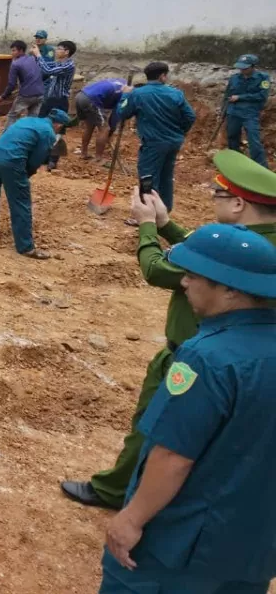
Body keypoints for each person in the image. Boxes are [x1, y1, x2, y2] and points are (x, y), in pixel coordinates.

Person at [63, 149, 276, 510]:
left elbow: (158, 270)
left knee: (158, 428)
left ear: (239, 204)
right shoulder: (257, 240)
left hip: (193, 355)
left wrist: (146, 225)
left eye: (219, 194)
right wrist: (165, 224)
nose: (213, 199)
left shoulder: (241, 251)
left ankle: (122, 495)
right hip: (230, 357)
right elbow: (203, 247)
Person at [98, 224, 276, 594]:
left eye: (194, 276)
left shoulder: (207, 357)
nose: (184, 284)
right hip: (253, 547)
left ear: (229, 290)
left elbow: (173, 456)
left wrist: (131, 519)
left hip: (180, 548)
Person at [0, 109, 67, 259]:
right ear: (58, 125)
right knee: (21, 202)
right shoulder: (48, 132)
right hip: (12, 161)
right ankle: (26, 247)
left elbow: (8, 135)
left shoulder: (27, 120)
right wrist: (24, 177)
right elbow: (35, 160)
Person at [117, 62, 196, 212]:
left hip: (153, 143)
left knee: (148, 177)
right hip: (174, 141)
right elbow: (190, 116)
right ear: (162, 76)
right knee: (166, 175)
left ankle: (148, 212)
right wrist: (180, 132)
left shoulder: (138, 94)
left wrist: (125, 94)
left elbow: (122, 113)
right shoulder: (176, 93)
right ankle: (164, 209)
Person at [36, 40, 77, 170]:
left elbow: (48, 70)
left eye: (59, 48)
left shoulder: (68, 65)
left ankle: (53, 160)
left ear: (67, 52)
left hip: (59, 100)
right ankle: (43, 156)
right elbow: (46, 66)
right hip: (49, 99)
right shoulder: (59, 63)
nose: (57, 50)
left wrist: (38, 55)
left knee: (57, 129)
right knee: (43, 126)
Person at [225, 53, 269, 168]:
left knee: (254, 140)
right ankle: (235, 162)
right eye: (240, 67)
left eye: (245, 68)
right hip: (233, 112)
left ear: (253, 66)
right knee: (232, 137)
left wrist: (240, 97)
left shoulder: (263, 78)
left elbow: (262, 96)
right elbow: (227, 95)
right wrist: (224, 111)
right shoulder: (234, 78)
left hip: (250, 114)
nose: (242, 70)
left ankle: (261, 167)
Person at [0, 40, 44, 125]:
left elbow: (11, 84)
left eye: (14, 50)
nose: (12, 53)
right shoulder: (33, 58)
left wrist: (2, 97)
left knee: (12, 116)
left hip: (26, 95)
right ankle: (29, 137)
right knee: (32, 118)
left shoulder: (15, 64)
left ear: (21, 51)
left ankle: (7, 136)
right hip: (40, 94)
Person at [74, 77, 128, 161]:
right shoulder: (125, 93)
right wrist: (110, 131)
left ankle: (83, 153)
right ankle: (98, 158)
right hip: (92, 100)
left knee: (89, 126)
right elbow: (116, 114)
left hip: (80, 95)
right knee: (104, 129)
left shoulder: (120, 81)